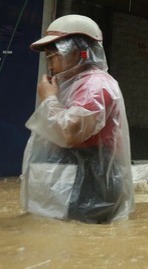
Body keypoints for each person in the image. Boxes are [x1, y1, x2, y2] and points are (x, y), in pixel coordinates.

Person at [20, 14, 134, 223]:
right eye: (48, 58)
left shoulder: (95, 85)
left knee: (86, 244)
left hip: (93, 182)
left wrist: (49, 100)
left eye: (54, 56)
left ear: (78, 51)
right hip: (77, 178)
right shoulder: (71, 84)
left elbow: (70, 132)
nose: (51, 65)